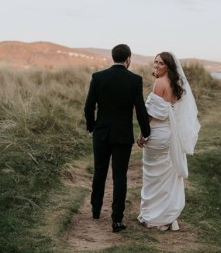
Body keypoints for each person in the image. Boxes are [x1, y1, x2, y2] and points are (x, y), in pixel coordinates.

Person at [84, 44, 151, 233]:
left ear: (113, 57)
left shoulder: (98, 77)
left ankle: (96, 210)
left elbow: (89, 107)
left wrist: (92, 127)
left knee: (99, 171)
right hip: (122, 135)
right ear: (128, 59)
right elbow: (140, 110)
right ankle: (117, 219)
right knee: (120, 176)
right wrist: (146, 132)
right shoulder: (135, 80)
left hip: (101, 133)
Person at [136, 51, 200, 231]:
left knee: (153, 175)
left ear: (168, 66)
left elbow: (151, 115)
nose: (156, 66)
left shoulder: (159, 83)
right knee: (166, 175)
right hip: (169, 133)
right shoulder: (176, 83)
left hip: (157, 133)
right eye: (155, 62)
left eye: (161, 63)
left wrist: (143, 134)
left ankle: (156, 215)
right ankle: (167, 215)